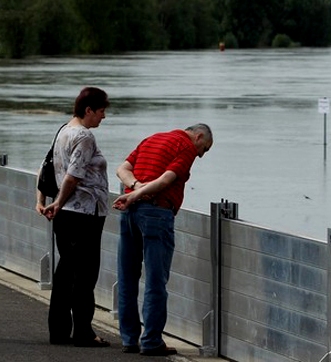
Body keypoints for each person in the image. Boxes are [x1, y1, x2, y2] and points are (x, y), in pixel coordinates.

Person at [112, 123, 213, 356]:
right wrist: (139, 192)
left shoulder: (152, 138)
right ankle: (151, 341)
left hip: (129, 213)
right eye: (204, 148)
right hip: (156, 214)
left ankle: (129, 339)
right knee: (156, 281)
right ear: (197, 137)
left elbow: (122, 169)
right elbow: (168, 179)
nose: (201, 155)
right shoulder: (186, 147)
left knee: (127, 278)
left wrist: (134, 188)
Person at [35, 86, 111, 347]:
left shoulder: (63, 131)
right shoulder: (84, 136)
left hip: (67, 215)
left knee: (66, 273)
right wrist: (58, 201)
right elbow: (74, 175)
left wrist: (43, 200)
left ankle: (60, 331)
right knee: (83, 275)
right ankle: (82, 332)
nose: (103, 117)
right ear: (88, 110)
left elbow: (45, 166)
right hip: (83, 214)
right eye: (101, 112)